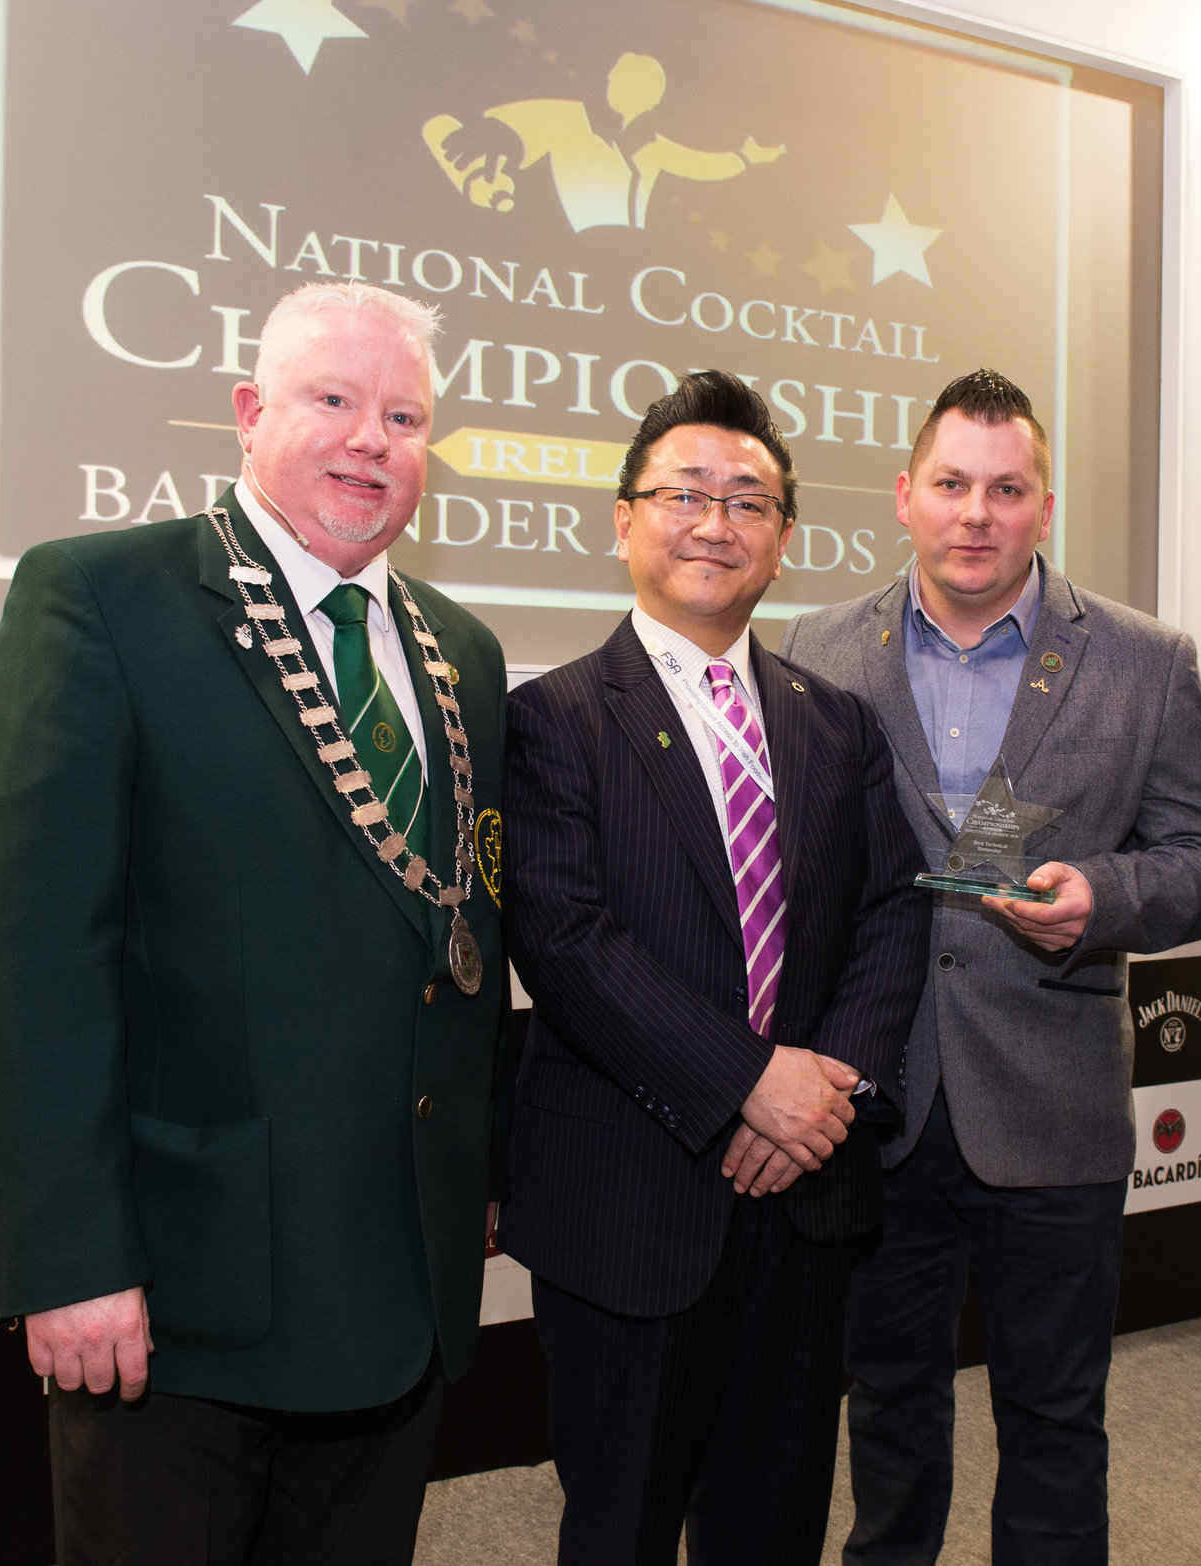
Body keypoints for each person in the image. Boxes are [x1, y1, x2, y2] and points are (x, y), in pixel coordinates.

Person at [0, 281, 510, 1564]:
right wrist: (67, 1257)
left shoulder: (462, 652)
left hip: (395, 1287)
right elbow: (21, 953)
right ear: (250, 416)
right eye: (334, 401)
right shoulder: (104, 598)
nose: (372, 438)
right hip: (179, 1298)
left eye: (404, 415)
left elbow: (456, 946)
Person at [784, 368, 1201, 1564]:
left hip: (1051, 1108)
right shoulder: (816, 648)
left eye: (1005, 489)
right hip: (872, 1102)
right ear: (903, 495)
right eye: (950, 484)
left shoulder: (1144, 661)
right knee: (887, 1410)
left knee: (1053, 1417)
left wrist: (1107, 897)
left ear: (1044, 507)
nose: (974, 514)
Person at [498, 370, 929, 1565]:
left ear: (783, 541)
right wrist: (747, 1080)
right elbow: (570, 942)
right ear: (623, 520)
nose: (714, 522)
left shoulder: (834, 722)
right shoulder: (551, 720)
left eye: (747, 501)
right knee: (619, 1526)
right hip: (627, 1207)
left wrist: (820, 1086)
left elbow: (893, 914)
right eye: (683, 493)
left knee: (774, 1527)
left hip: (804, 1204)